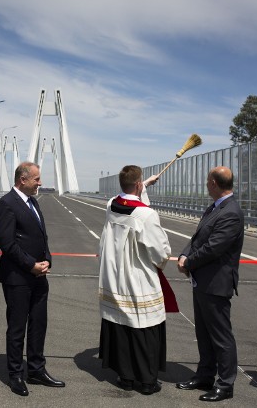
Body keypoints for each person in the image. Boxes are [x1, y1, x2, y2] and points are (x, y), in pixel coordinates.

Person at [98, 166, 173, 395]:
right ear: (138, 185)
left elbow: (130, 202)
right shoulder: (146, 215)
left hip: (113, 277)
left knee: (120, 324)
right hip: (137, 277)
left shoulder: (111, 205)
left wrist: (145, 185)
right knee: (143, 325)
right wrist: (160, 262)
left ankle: (126, 377)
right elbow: (161, 251)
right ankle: (148, 381)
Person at [0, 161, 65, 397]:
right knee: (17, 328)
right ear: (22, 179)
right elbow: (7, 243)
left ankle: (36, 370)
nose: (40, 183)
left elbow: (41, 238)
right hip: (17, 277)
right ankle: (15, 374)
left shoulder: (33, 202)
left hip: (38, 276)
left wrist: (46, 260)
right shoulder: (7, 203)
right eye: (36, 179)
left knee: (38, 324)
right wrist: (30, 265)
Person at [175, 166, 243, 402]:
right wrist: (185, 256)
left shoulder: (231, 212)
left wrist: (189, 263)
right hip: (202, 281)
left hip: (216, 283)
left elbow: (214, 247)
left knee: (221, 337)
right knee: (203, 333)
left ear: (214, 183)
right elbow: (198, 238)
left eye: (207, 181)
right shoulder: (215, 208)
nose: (206, 184)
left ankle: (225, 384)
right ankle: (205, 375)